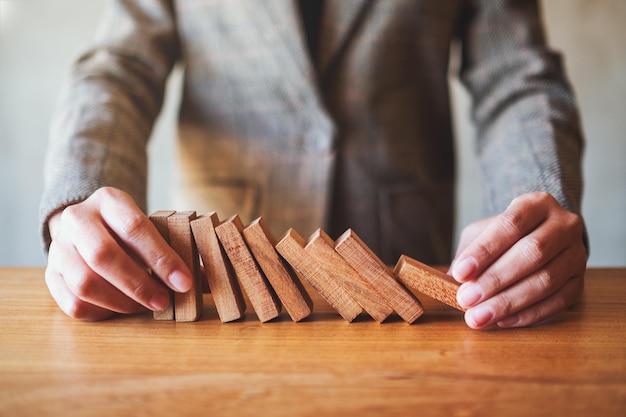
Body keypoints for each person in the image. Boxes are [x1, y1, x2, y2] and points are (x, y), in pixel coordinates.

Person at [40, 0, 588, 329]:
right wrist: (78, 201)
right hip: (219, 292)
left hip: (409, 274)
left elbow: (516, 75)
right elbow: (120, 68)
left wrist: (533, 205)